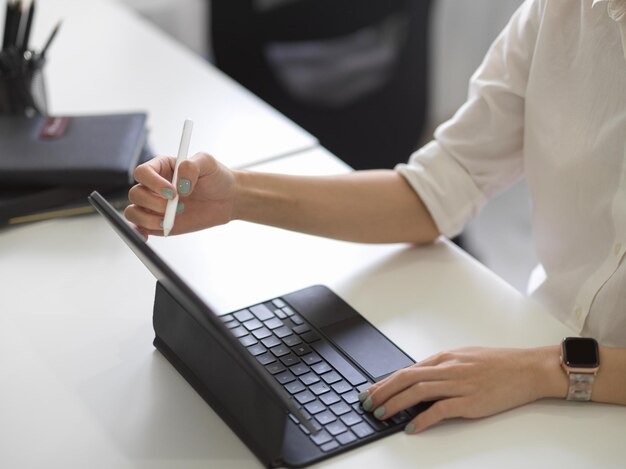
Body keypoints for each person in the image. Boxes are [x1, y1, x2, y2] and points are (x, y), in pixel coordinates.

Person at [125, 0, 626, 434]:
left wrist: (543, 370)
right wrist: (236, 197)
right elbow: (436, 189)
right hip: (546, 354)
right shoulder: (560, 13)